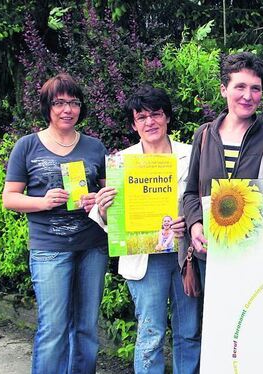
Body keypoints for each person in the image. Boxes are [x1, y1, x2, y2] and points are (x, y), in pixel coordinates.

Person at [2, 73, 108, 373]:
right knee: (53, 329)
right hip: (49, 249)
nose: (67, 109)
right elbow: (9, 198)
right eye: (59, 102)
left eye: (73, 103)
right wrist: (42, 202)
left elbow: (110, 195)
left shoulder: (94, 147)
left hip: (92, 247)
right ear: (47, 107)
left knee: (87, 328)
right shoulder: (27, 146)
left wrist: (98, 199)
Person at [90, 85, 201, 373]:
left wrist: (188, 223)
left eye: (156, 114)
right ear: (133, 124)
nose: (150, 122)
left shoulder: (192, 155)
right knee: (151, 333)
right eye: (142, 117)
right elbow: (108, 220)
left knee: (188, 330)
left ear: (167, 118)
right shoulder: (121, 162)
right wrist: (103, 208)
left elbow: (200, 203)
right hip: (145, 259)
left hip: (183, 255)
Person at [183, 52, 263, 288]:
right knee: (215, 324)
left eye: (255, 88)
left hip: (257, 255)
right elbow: (190, 193)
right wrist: (195, 224)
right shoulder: (205, 135)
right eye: (240, 87)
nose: (248, 96)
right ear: (223, 90)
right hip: (211, 252)